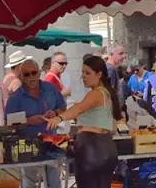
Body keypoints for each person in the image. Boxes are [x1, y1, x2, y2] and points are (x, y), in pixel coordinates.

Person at [46, 56, 120, 188]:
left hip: (91, 148)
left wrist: (59, 118)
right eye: (82, 73)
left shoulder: (96, 94)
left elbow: (78, 108)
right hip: (107, 147)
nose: (83, 76)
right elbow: (113, 127)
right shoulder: (109, 93)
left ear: (99, 74)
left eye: (87, 73)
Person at [5, 59, 66, 188]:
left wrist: (55, 113)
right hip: (27, 146)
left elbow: (63, 107)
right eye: (26, 74)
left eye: (34, 73)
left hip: (51, 143)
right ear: (21, 77)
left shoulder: (51, 89)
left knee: (54, 182)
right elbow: (9, 123)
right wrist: (28, 121)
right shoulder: (16, 97)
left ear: (39, 73)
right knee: (29, 183)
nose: (31, 77)